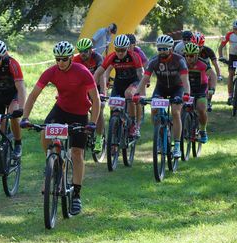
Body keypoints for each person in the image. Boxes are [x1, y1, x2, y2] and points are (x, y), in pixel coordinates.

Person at [20, 41, 101, 215]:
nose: (60, 62)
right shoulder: (51, 72)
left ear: (71, 57)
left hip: (80, 113)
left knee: (77, 153)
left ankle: (77, 195)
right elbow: (33, 95)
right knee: (45, 130)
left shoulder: (82, 72)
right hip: (61, 109)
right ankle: (52, 163)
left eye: (64, 59)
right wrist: (25, 118)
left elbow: (96, 100)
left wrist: (92, 123)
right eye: (57, 59)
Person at [133, 35, 191, 158]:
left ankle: (176, 145)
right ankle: (159, 135)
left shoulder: (179, 60)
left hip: (177, 88)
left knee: (175, 112)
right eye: (159, 49)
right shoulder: (154, 61)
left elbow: (185, 80)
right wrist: (137, 94)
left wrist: (186, 94)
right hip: (161, 88)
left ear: (170, 48)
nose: (162, 51)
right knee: (154, 110)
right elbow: (145, 78)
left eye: (164, 49)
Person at [93, 34, 144, 138]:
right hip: (119, 84)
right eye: (118, 50)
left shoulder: (134, 56)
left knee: (128, 94)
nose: (120, 53)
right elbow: (99, 73)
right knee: (113, 106)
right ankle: (115, 133)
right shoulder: (112, 57)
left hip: (133, 82)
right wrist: (93, 88)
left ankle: (133, 124)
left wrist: (140, 91)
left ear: (127, 49)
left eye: (123, 50)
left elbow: (141, 75)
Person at [73, 38, 105, 152]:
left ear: (91, 50)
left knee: (99, 108)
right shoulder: (76, 60)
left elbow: (102, 76)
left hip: (97, 87)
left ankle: (99, 138)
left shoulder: (97, 58)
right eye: (80, 51)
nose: (82, 54)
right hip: (83, 88)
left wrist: (103, 93)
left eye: (85, 51)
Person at [183, 43, 215, 143]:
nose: (189, 58)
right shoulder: (182, 63)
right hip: (187, 89)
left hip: (201, 89)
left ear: (197, 55)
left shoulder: (203, 64)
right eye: (186, 55)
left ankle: (202, 130)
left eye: (191, 55)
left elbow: (213, 76)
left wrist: (212, 89)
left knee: (201, 109)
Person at [191, 32, 221, 112]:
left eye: (199, 47)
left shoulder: (208, 50)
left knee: (210, 80)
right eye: (195, 46)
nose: (197, 49)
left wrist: (219, 74)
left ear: (203, 45)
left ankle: (208, 101)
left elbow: (215, 63)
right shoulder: (188, 51)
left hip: (206, 69)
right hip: (193, 71)